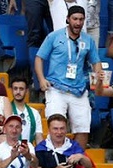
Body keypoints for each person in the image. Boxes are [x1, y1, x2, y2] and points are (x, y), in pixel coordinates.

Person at [35, 5, 102, 150]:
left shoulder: (88, 40)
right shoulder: (54, 36)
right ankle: (54, 160)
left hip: (79, 90)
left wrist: (97, 80)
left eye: (81, 19)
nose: (78, 23)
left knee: (83, 128)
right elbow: (39, 58)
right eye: (75, 19)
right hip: (56, 88)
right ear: (68, 19)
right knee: (55, 126)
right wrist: (41, 79)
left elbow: (96, 62)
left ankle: (77, 164)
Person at [9, 77, 43, 145]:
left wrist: (41, 153)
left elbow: (38, 136)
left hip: (29, 152)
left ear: (27, 91)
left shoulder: (35, 113)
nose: (18, 92)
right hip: (10, 150)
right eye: (15, 88)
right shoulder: (7, 110)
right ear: (11, 90)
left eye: (21, 89)